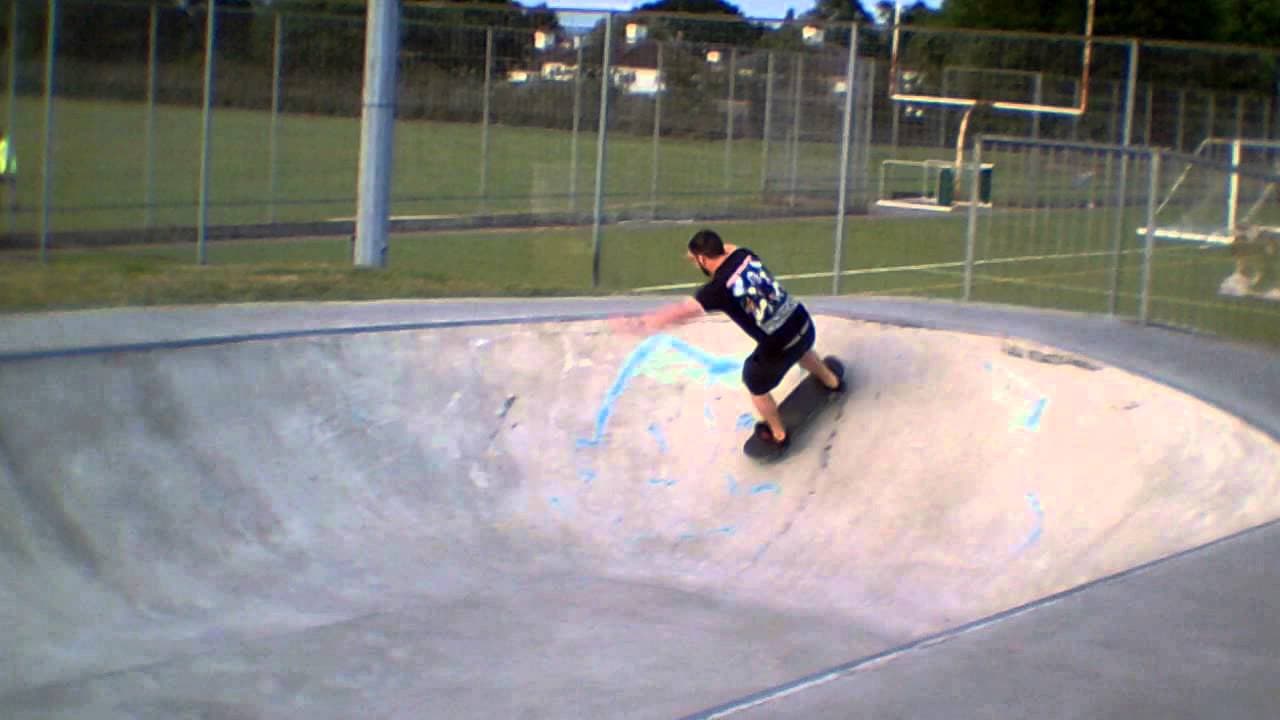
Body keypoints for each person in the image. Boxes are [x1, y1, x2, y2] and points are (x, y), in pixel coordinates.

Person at [614, 228, 845, 451]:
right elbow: (728, 248)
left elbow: (679, 312)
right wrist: (704, 248)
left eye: (696, 261)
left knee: (754, 382)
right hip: (804, 324)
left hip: (780, 346)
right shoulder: (744, 254)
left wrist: (641, 324)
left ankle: (778, 435)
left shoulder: (716, 290)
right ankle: (832, 381)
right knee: (800, 348)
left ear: (702, 259)